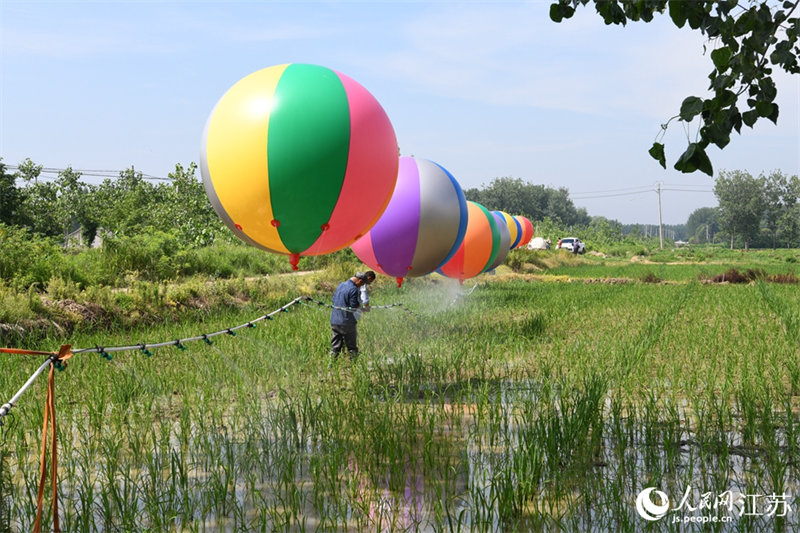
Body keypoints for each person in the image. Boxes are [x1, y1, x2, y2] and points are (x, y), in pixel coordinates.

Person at [330, 271, 375, 358]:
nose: (361, 286)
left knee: (335, 346)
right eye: (362, 284)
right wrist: (362, 309)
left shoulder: (341, 285)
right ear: (360, 281)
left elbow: (334, 299)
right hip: (347, 322)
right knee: (352, 347)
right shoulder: (354, 289)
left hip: (334, 320)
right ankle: (354, 366)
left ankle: (330, 365)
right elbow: (353, 306)